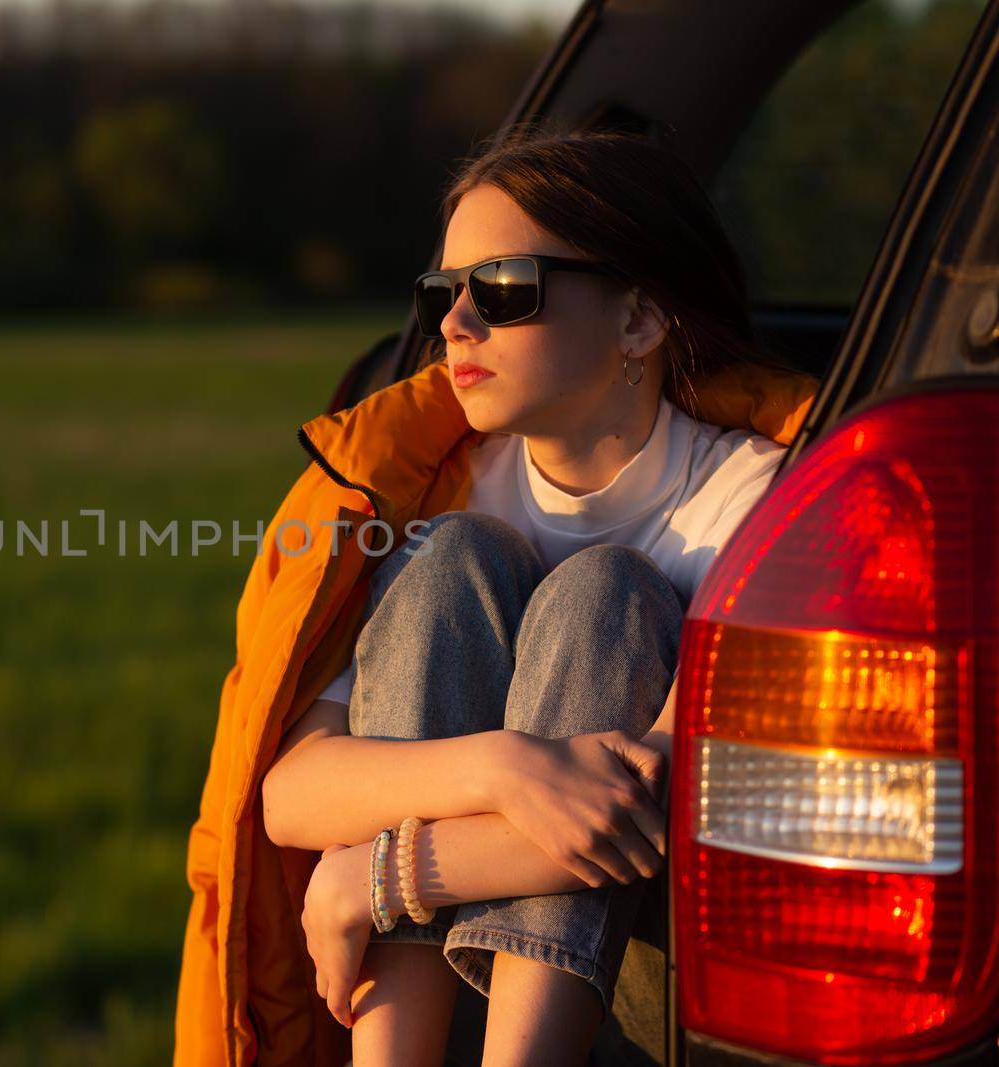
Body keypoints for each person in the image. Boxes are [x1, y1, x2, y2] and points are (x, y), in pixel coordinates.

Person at [257, 125, 808, 1066]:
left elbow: (650, 801)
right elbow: (293, 793)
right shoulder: (448, 493)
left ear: (637, 322)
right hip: (435, 985)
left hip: (626, 974)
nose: (454, 326)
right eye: (443, 294)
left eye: (505, 289)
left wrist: (375, 874)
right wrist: (505, 768)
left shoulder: (748, 500)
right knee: (457, 557)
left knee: (607, 594)